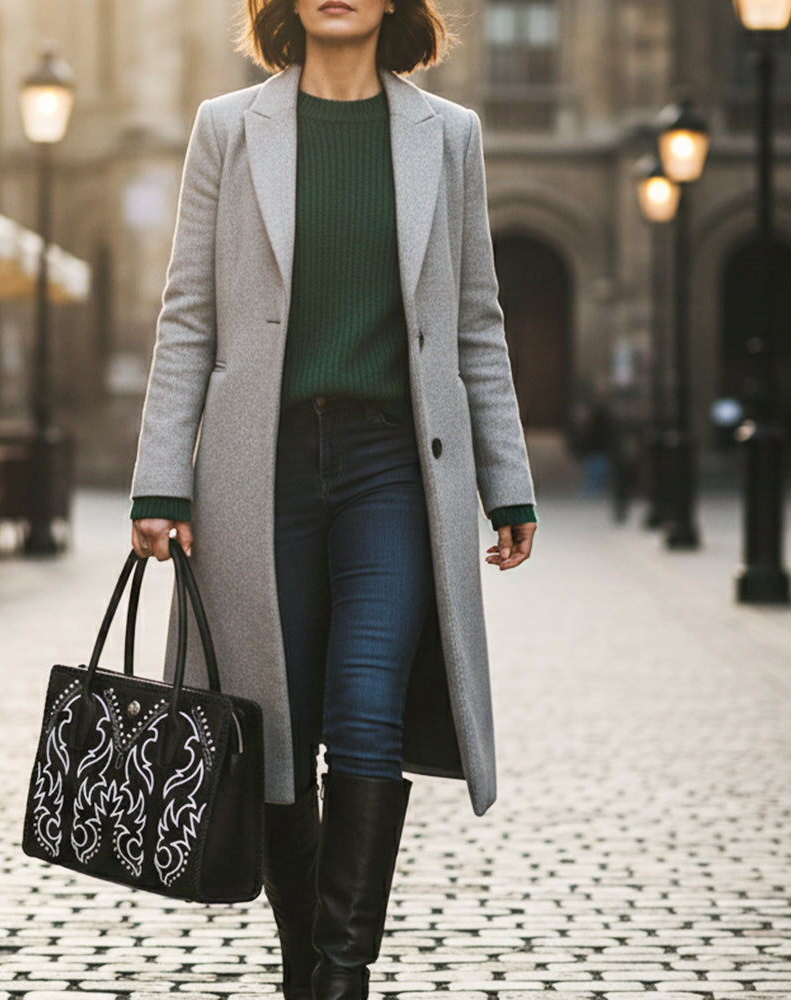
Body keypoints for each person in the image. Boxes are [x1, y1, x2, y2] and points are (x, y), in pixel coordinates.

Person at [129, 1, 537, 997]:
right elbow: (188, 315)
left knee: (364, 710)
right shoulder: (228, 129)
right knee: (272, 728)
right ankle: (304, 967)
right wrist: (160, 475)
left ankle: (338, 977)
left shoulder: (449, 136)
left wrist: (506, 477)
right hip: (254, 473)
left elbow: (475, 323)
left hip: (390, 468)